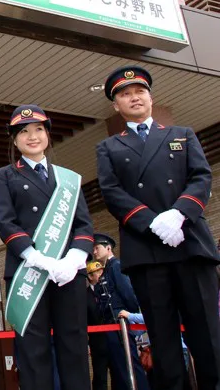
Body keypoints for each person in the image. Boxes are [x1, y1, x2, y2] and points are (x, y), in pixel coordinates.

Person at [97, 66, 220, 390]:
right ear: (115, 105)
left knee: (208, 335)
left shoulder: (182, 134)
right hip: (146, 250)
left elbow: (201, 177)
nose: (133, 97)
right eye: (124, 94)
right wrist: (151, 221)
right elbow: (111, 193)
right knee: (163, 341)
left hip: (190, 243)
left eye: (139, 91)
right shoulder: (109, 148)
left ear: (150, 97)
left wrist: (179, 214)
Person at [0, 105, 94, 390]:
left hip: (69, 275)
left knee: (74, 347)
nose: (32, 136)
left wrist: (73, 259)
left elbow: (84, 225)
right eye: (23, 132)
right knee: (33, 353)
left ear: (48, 134)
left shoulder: (68, 179)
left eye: (38, 129)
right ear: (14, 140)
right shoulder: (5, 175)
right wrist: (38, 258)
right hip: (28, 272)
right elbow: (6, 223)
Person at [92, 234, 149, 390]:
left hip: (119, 322)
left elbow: (128, 292)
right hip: (109, 324)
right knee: (118, 368)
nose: (94, 252)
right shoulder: (104, 272)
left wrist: (128, 314)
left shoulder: (116, 265)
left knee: (128, 364)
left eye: (97, 248)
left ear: (108, 248)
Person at [86, 261, 109, 390]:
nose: (101, 274)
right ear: (90, 276)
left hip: (113, 338)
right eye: (98, 272)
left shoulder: (108, 290)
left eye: (102, 271)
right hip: (97, 342)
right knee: (100, 376)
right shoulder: (85, 295)